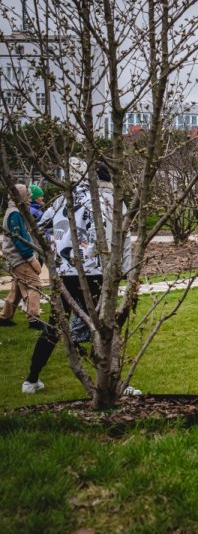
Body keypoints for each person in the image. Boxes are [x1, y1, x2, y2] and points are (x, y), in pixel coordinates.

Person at [22, 162, 136, 394]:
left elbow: (40, 225)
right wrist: (123, 270)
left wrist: (53, 254)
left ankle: (31, 379)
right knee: (103, 328)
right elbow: (123, 236)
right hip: (95, 271)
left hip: (66, 272)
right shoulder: (111, 200)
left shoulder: (65, 199)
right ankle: (112, 382)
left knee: (55, 324)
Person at [0, 184, 43, 330]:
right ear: (21, 197)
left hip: (14, 257)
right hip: (19, 258)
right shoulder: (15, 214)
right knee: (34, 284)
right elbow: (19, 239)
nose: (30, 199)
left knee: (17, 287)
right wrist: (31, 259)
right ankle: (34, 318)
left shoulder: (14, 211)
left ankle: (5, 316)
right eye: (28, 196)